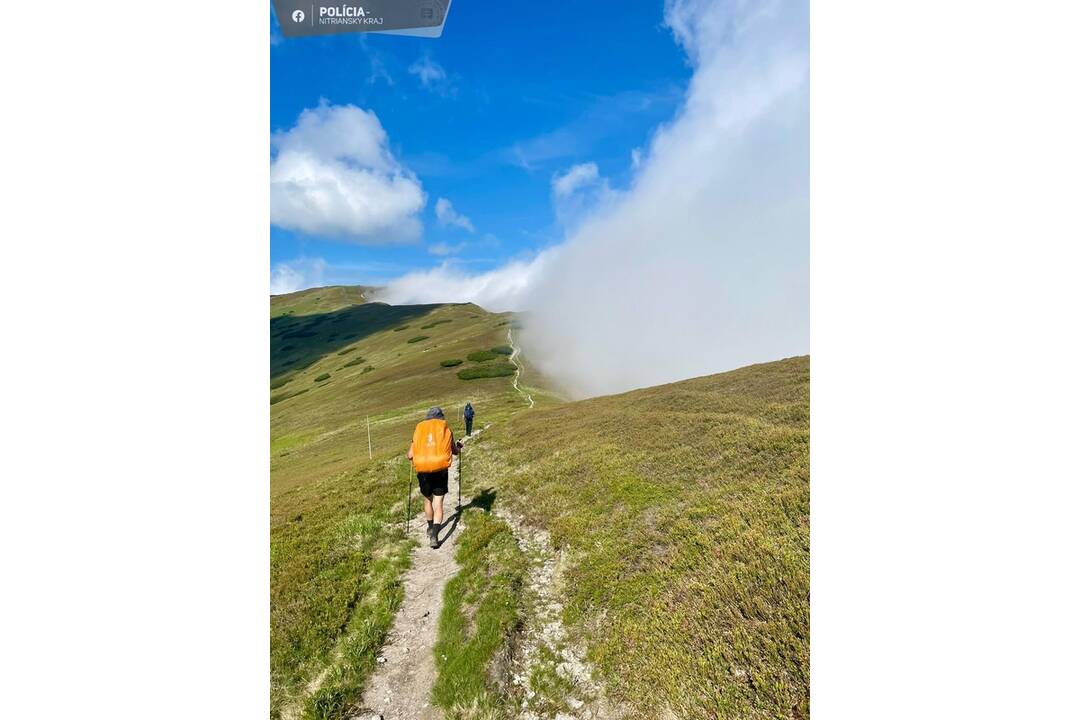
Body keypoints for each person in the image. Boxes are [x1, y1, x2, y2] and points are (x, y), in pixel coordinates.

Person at [407, 407, 461, 548]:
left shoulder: (419, 431)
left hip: (423, 471)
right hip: (440, 470)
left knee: (428, 500)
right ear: (440, 418)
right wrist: (459, 447)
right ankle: (435, 535)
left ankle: (430, 527)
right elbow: (455, 451)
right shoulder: (445, 430)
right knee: (438, 503)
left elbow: (410, 456)